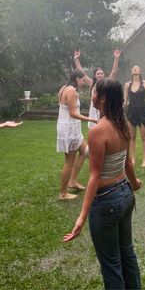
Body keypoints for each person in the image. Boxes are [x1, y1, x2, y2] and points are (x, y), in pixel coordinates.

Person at [63, 78, 142, 290]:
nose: (92, 96)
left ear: (104, 99)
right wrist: (134, 183)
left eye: (94, 93)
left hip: (107, 203)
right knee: (127, 254)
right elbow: (127, 163)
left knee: (111, 264)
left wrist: (81, 218)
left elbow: (94, 176)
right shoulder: (122, 124)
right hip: (125, 195)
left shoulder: (98, 131)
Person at [57, 69, 97, 200]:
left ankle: (72, 181)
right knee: (69, 161)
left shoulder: (65, 88)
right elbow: (73, 113)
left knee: (85, 152)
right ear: (77, 79)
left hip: (72, 129)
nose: (83, 82)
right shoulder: (71, 90)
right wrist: (91, 119)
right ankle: (63, 193)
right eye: (82, 80)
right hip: (69, 130)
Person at [74, 49, 121, 128]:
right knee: (94, 132)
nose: (100, 75)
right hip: (93, 110)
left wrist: (116, 58)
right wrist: (76, 59)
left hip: (105, 110)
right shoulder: (92, 83)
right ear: (95, 75)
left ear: (104, 74)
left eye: (101, 73)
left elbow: (114, 72)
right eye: (98, 74)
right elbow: (81, 72)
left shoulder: (107, 83)